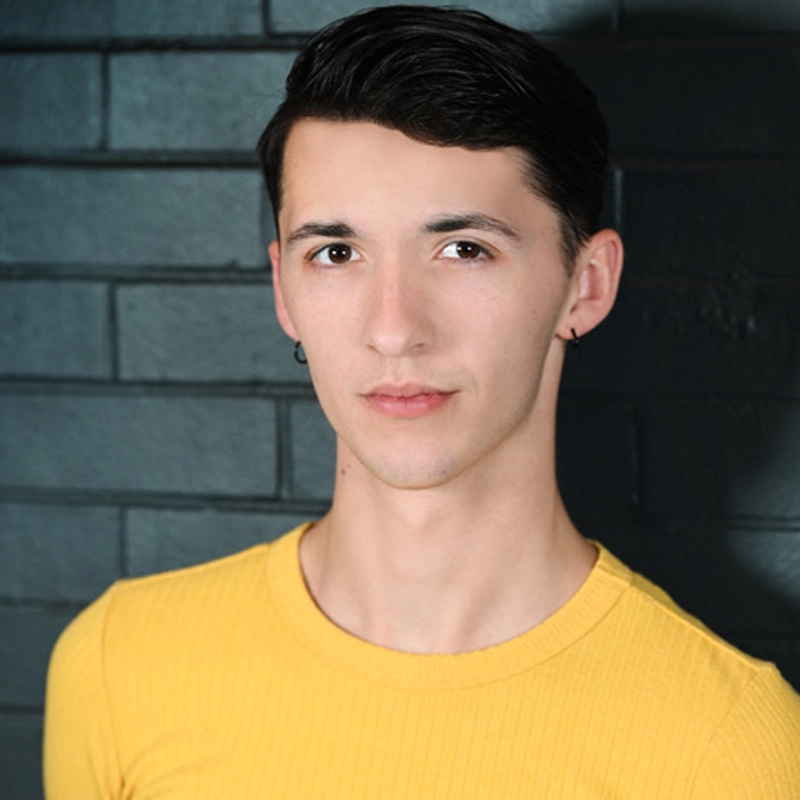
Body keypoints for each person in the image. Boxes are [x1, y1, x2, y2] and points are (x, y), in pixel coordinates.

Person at [44, 6, 800, 798]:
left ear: (587, 284)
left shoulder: (727, 744)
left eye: (463, 249)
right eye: (336, 253)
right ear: (284, 290)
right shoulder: (118, 664)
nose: (394, 329)